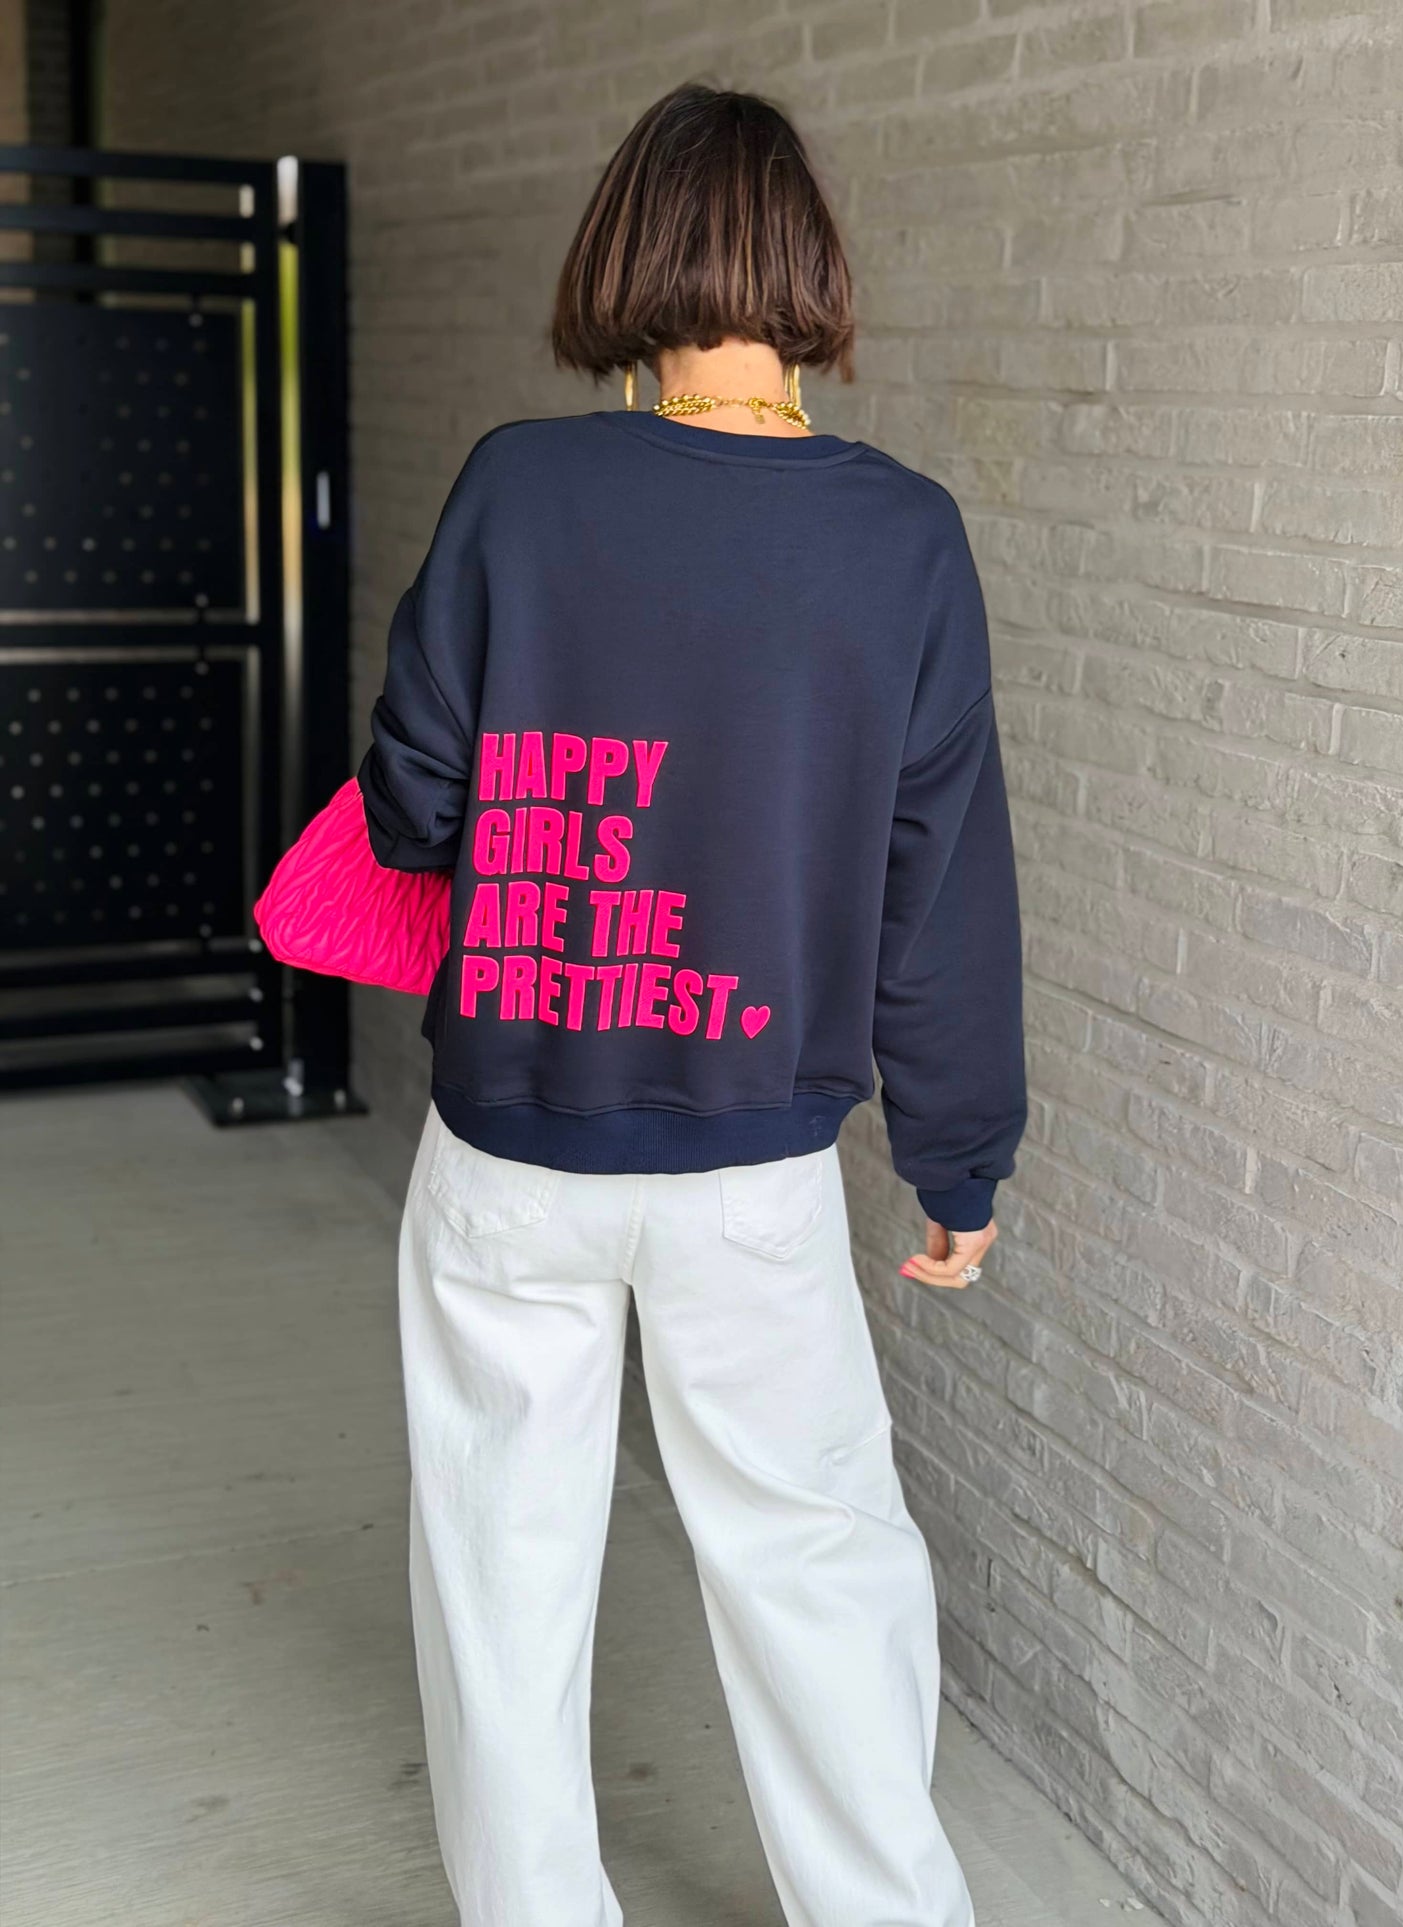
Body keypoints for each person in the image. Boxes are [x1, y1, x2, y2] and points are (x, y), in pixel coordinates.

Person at [358, 80, 1027, 1927]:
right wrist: (957, 1158)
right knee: (814, 1560)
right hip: (752, 1168)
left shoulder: (518, 486)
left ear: (624, 258)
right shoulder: (901, 537)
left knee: (498, 1568)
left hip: (513, 1145)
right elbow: (938, 885)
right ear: (808, 268)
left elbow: (414, 800)